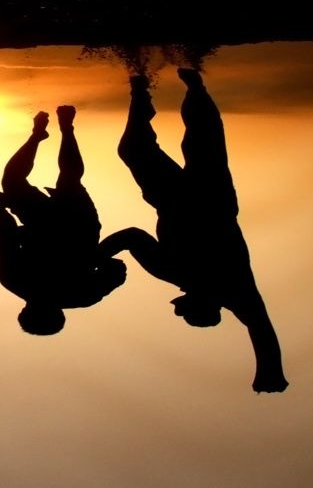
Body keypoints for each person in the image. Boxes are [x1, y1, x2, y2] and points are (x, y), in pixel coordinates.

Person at [103, 69, 288, 393]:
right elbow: (262, 331)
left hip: (172, 199)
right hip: (213, 201)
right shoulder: (236, 289)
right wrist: (270, 373)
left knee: (136, 148)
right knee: (202, 139)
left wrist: (92, 259)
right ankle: (194, 86)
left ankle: (141, 91)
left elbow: (131, 236)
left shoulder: (172, 271)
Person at [0, 106, 127, 334]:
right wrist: (89, 258)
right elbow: (117, 270)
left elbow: (5, 241)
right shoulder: (82, 295)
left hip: (45, 225)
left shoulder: (15, 281)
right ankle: (64, 128)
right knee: (66, 181)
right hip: (77, 228)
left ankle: (41, 134)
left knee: (21, 180)